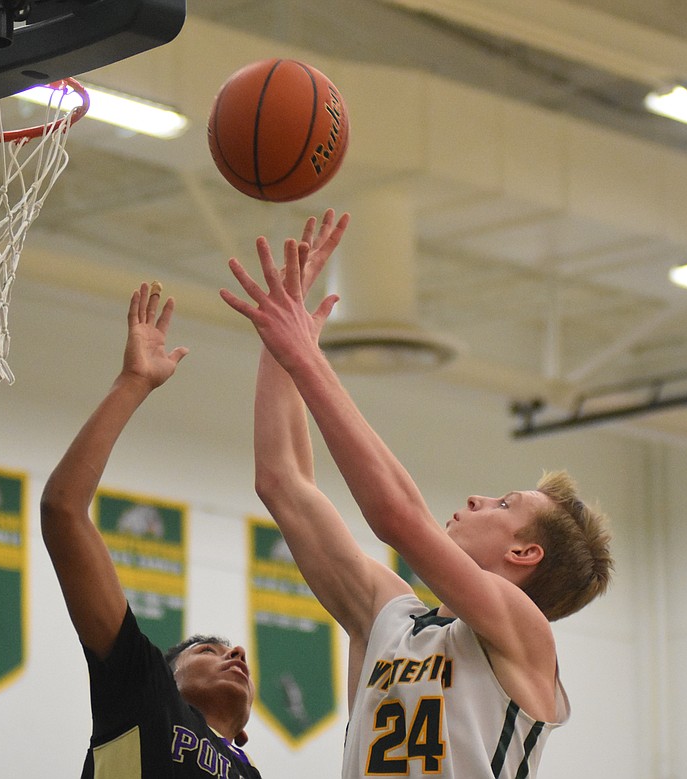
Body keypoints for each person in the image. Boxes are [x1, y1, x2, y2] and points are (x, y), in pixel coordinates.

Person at [220, 212, 613, 778]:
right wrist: (282, 339)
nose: (478, 500)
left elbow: (398, 517)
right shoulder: (389, 619)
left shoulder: (523, 632)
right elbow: (282, 482)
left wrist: (307, 357)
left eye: (505, 505)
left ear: (525, 554)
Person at [41, 282, 261, 779]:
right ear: (167, 679)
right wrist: (133, 382)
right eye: (208, 651)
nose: (236, 653)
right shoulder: (144, 693)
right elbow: (62, 510)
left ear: (244, 731)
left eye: (227, 650)